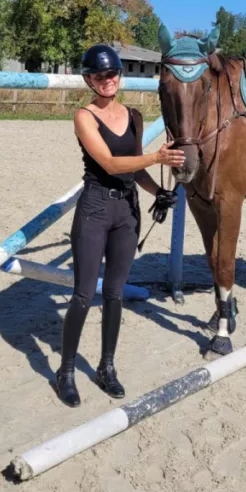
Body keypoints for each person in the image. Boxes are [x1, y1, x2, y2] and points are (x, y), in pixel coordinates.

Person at [55, 44, 185, 407]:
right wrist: (159, 155)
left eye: (112, 74)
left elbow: (135, 168)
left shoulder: (134, 116)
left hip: (127, 212)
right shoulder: (84, 116)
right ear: (89, 80)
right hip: (95, 209)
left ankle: (106, 367)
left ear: (119, 76)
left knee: (114, 293)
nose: (107, 80)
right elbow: (111, 164)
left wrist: (158, 190)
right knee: (83, 294)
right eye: (99, 76)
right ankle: (65, 371)